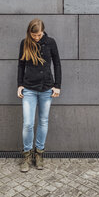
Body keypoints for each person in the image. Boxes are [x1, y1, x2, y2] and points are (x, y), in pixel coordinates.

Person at [17, 18, 61, 172]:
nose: (37, 38)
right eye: (34, 35)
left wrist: (57, 86)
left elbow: (57, 63)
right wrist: (20, 85)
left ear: (43, 31)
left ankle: (39, 153)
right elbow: (21, 64)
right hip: (29, 88)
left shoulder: (51, 42)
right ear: (30, 33)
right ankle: (27, 155)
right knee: (28, 123)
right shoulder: (25, 43)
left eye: (39, 35)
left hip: (46, 88)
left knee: (43, 121)